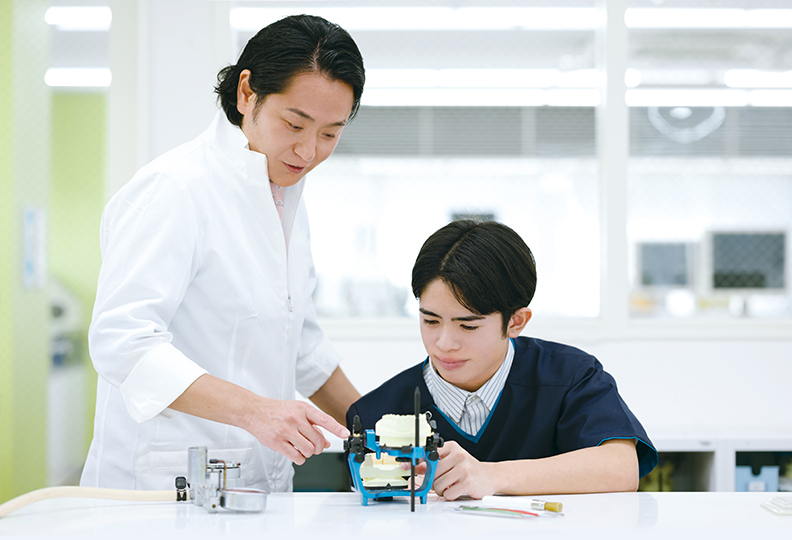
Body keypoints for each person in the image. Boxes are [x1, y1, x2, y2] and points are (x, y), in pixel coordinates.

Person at [81, 15, 365, 492]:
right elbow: (121, 342)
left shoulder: (284, 197)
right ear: (246, 93)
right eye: (294, 124)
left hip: (253, 486)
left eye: (329, 134)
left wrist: (381, 434)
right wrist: (255, 412)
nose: (307, 151)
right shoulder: (175, 189)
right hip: (160, 489)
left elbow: (302, 347)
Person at [347, 220, 658, 500]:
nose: (443, 344)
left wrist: (492, 476)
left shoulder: (569, 377)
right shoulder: (377, 413)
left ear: (516, 322)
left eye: (467, 326)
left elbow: (622, 468)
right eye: (430, 321)